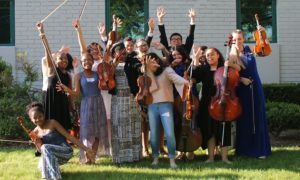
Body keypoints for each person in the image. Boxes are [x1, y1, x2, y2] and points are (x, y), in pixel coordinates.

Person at [58, 19, 109, 164]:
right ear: (81, 62)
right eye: (84, 61)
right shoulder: (79, 75)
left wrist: (105, 78)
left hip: (99, 103)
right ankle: (88, 155)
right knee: (86, 131)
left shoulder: (97, 72)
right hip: (86, 104)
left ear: (93, 62)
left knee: (99, 131)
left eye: (89, 60)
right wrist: (78, 30)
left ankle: (93, 156)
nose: (87, 62)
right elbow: (76, 93)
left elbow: (106, 80)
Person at [20, 102, 94, 180]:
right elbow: (42, 151)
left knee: (45, 149)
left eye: (40, 116)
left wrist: (86, 149)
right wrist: (37, 143)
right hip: (53, 156)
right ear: (31, 119)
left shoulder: (52, 123)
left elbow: (69, 136)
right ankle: (53, 172)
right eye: (35, 118)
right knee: (41, 166)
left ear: (44, 115)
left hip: (65, 151)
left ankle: (56, 178)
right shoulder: (35, 133)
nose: (38, 119)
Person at [144, 52, 189, 168]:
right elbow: (152, 88)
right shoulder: (146, 74)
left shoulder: (167, 70)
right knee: (154, 134)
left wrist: (187, 83)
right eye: (149, 62)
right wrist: (148, 70)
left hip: (166, 105)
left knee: (169, 133)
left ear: (158, 61)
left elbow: (178, 80)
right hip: (152, 106)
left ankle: (172, 159)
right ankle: (155, 157)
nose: (153, 63)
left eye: (154, 60)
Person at [232, 28, 272, 159]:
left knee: (258, 115)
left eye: (239, 38)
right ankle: (244, 149)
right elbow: (231, 74)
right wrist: (240, 79)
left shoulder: (250, 49)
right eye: (235, 39)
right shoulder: (232, 54)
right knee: (245, 117)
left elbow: (264, 52)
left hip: (255, 86)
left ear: (243, 39)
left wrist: (263, 37)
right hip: (242, 89)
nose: (237, 41)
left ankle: (260, 149)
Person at [191, 47, 233, 164]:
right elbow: (193, 76)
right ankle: (210, 158)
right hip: (207, 104)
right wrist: (195, 59)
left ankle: (225, 158)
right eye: (208, 55)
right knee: (209, 131)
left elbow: (233, 81)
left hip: (224, 103)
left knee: (224, 130)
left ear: (218, 55)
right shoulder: (204, 69)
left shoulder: (224, 68)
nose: (210, 57)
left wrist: (228, 67)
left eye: (212, 54)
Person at [110, 42, 142, 163]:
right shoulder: (110, 63)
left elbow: (140, 69)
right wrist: (114, 65)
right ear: (114, 53)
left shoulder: (132, 61)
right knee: (119, 125)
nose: (123, 54)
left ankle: (134, 156)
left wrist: (143, 66)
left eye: (124, 52)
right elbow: (108, 78)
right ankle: (119, 157)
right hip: (118, 98)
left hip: (131, 97)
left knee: (133, 124)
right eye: (120, 52)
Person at [36, 22, 72, 131]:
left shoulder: (68, 75)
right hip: (50, 102)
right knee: (49, 128)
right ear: (55, 61)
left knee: (63, 128)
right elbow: (47, 50)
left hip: (62, 103)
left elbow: (70, 93)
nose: (64, 60)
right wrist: (42, 33)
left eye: (65, 58)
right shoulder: (52, 69)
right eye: (61, 58)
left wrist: (72, 107)